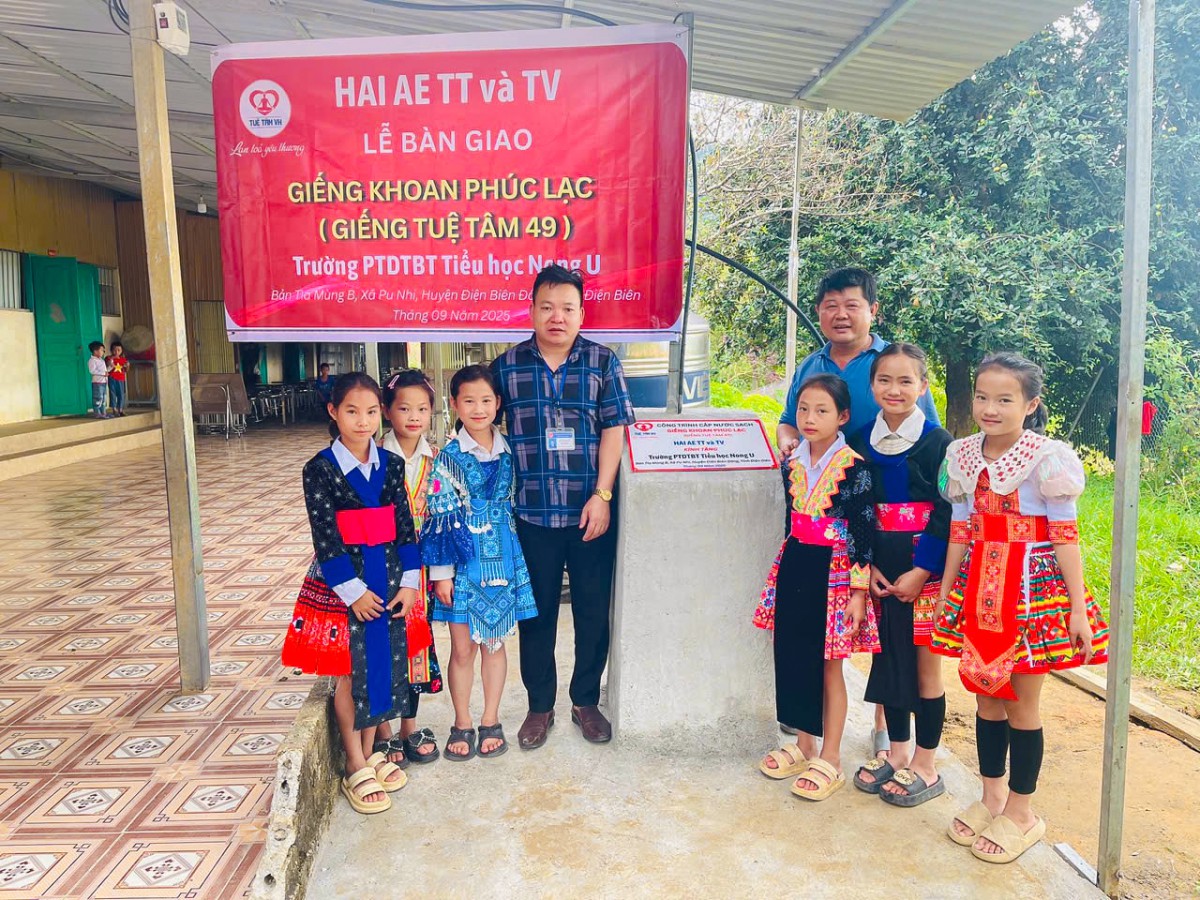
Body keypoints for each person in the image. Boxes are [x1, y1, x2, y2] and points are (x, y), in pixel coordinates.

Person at [933, 352, 1109, 863]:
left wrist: (1078, 610)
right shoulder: (962, 455)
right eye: (982, 397)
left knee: (1021, 704)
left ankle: (1022, 812)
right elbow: (961, 529)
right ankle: (991, 798)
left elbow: (1066, 536)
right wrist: (946, 591)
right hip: (978, 590)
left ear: (1030, 405)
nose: (990, 408)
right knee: (986, 698)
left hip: (1031, 593)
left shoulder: (1048, 458)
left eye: (1004, 399)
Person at [776, 267, 939, 754]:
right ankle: (812, 725)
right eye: (830, 305)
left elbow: (925, 443)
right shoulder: (810, 364)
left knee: (889, 630)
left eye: (851, 304)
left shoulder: (892, 362)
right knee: (833, 630)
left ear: (873, 310)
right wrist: (792, 445)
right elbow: (787, 422)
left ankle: (887, 725)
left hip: (888, 516)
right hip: (830, 512)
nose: (840, 314)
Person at [490, 264, 636, 749]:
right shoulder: (507, 366)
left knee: (593, 611)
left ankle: (585, 701)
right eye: (548, 307)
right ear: (532, 310)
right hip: (531, 514)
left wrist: (603, 494)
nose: (558, 317)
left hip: (589, 512)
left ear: (581, 313)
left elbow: (614, 429)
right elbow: (484, 428)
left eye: (568, 308)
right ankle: (540, 706)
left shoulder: (602, 362)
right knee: (537, 615)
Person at [292, 372, 421, 814]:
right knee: (351, 671)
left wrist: (410, 582)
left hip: (389, 581)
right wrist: (353, 593)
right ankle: (354, 761)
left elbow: (405, 528)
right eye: (351, 411)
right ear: (333, 412)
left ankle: (372, 752)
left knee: (384, 664)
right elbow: (326, 539)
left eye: (370, 412)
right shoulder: (320, 470)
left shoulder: (392, 465)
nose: (362, 421)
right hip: (346, 587)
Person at [754, 374, 880, 801]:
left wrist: (859, 592)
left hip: (836, 571)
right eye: (803, 409)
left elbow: (863, 530)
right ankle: (805, 745)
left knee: (829, 664)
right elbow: (790, 519)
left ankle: (832, 756)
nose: (809, 418)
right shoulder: (791, 463)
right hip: (796, 563)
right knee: (794, 655)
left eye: (821, 410)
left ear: (842, 417)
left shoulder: (855, 468)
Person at [846, 343, 952, 807]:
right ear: (872, 387)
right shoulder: (858, 439)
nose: (894, 389)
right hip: (880, 568)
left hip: (923, 569)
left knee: (926, 665)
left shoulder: (938, 442)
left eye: (906, 380)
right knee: (887, 657)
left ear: (922, 386)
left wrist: (922, 570)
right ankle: (898, 752)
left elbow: (948, 510)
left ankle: (926, 763)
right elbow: (856, 510)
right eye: (885, 380)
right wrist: (865, 565)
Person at [423, 365, 538, 760]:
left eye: (486, 400)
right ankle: (462, 721)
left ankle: (491, 718)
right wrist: (441, 575)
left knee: (495, 641)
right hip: (462, 561)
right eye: (468, 401)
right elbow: (439, 517)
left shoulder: (511, 452)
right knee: (461, 648)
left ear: (498, 403)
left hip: (503, 557)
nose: (478, 408)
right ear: (454, 404)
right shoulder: (447, 458)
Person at [372, 369, 444, 766]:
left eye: (422, 409)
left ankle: (409, 727)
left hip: (421, 571)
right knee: (380, 644)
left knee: (416, 644)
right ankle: (383, 732)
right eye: (404, 408)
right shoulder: (372, 457)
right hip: (379, 566)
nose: (414, 416)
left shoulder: (438, 459)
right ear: (387, 411)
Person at [87, 341, 109, 419]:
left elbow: (105, 371)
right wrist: (103, 373)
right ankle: (97, 413)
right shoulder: (92, 361)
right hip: (97, 382)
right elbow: (92, 371)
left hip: (103, 382)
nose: (103, 352)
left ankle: (103, 413)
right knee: (98, 398)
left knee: (103, 398)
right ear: (95, 351)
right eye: (102, 350)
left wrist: (110, 367)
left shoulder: (101, 360)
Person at [107, 340, 128, 417]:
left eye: (119, 350)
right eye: (114, 350)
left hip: (121, 379)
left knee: (121, 394)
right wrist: (111, 360)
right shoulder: (108, 358)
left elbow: (126, 370)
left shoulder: (123, 359)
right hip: (112, 378)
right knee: (113, 393)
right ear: (111, 350)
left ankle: (120, 409)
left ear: (121, 351)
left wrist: (127, 366)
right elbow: (108, 365)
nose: (116, 352)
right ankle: (114, 409)